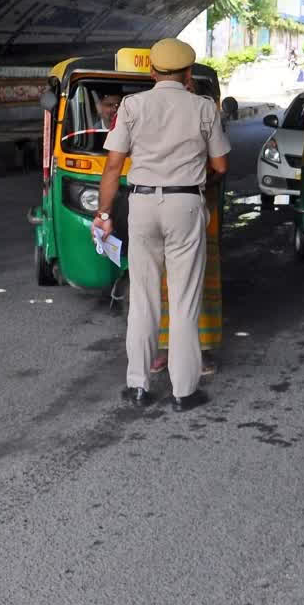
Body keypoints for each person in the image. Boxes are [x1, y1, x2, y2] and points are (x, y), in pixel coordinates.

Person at [92, 38, 231, 412]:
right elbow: (220, 166)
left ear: (151, 72)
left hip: (141, 203)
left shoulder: (133, 106)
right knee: (184, 300)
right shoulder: (204, 107)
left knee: (143, 297)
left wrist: (104, 214)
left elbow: (112, 166)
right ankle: (184, 392)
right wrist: (198, 186)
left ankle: (138, 385)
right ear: (188, 74)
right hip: (185, 203)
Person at [151, 72, 227, 377]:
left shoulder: (205, 113)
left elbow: (219, 167)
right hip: (173, 207)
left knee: (197, 285)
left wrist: (193, 181)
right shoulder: (150, 112)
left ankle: (200, 352)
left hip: (198, 208)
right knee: (163, 284)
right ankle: (164, 351)